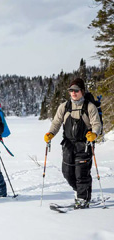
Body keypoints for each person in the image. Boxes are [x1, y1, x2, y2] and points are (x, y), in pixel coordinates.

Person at [44, 78, 102, 209]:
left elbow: (96, 124)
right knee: (67, 172)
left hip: (84, 144)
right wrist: (50, 134)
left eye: (76, 90)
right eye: (71, 90)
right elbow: (56, 123)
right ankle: (82, 192)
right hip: (68, 145)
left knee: (81, 173)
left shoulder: (89, 107)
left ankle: (83, 199)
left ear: (82, 91)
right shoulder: (64, 107)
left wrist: (94, 134)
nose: (73, 93)